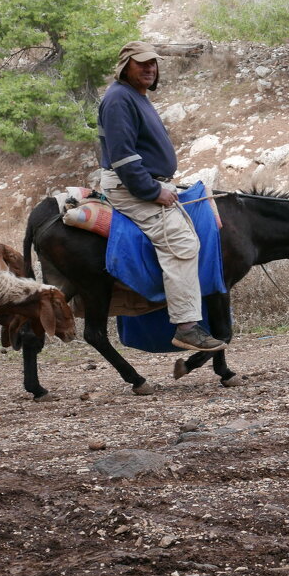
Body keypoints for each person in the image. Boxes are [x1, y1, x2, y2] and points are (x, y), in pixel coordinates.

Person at [97, 41, 226, 353]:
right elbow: (124, 158)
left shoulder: (134, 96)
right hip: (131, 188)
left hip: (144, 182)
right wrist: (153, 191)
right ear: (124, 66)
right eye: (141, 63)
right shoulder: (118, 100)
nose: (149, 68)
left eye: (152, 63)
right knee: (181, 242)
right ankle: (186, 326)